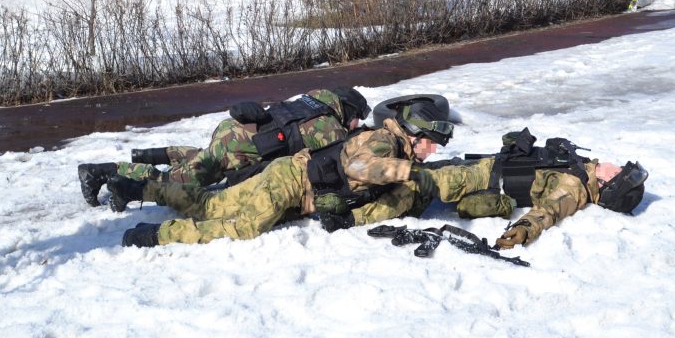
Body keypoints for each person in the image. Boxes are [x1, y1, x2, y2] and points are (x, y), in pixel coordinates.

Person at [107, 98, 455, 247]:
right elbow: (358, 167)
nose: (433, 151)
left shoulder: (390, 144)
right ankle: (154, 236)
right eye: (430, 143)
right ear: (413, 133)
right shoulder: (383, 143)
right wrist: (408, 172)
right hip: (291, 183)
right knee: (244, 228)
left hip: (288, 175)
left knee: (209, 206)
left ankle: (137, 188)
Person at [77, 87, 370, 207]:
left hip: (235, 129)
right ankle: (106, 173)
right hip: (239, 149)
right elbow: (338, 158)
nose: (357, 124)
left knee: (204, 157)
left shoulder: (315, 98)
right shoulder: (331, 128)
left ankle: (147, 156)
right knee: (177, 181)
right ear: (347, 110)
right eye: (357, 118)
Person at [410, 128, 648, 248]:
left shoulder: (574, 186)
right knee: (421, 168)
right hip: (488, 164)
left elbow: (549, 210)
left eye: (617, 172)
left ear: (607, 182)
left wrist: (524, 229)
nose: (616, 166)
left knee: (420, 179)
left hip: (486, 178)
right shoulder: (583, 167)